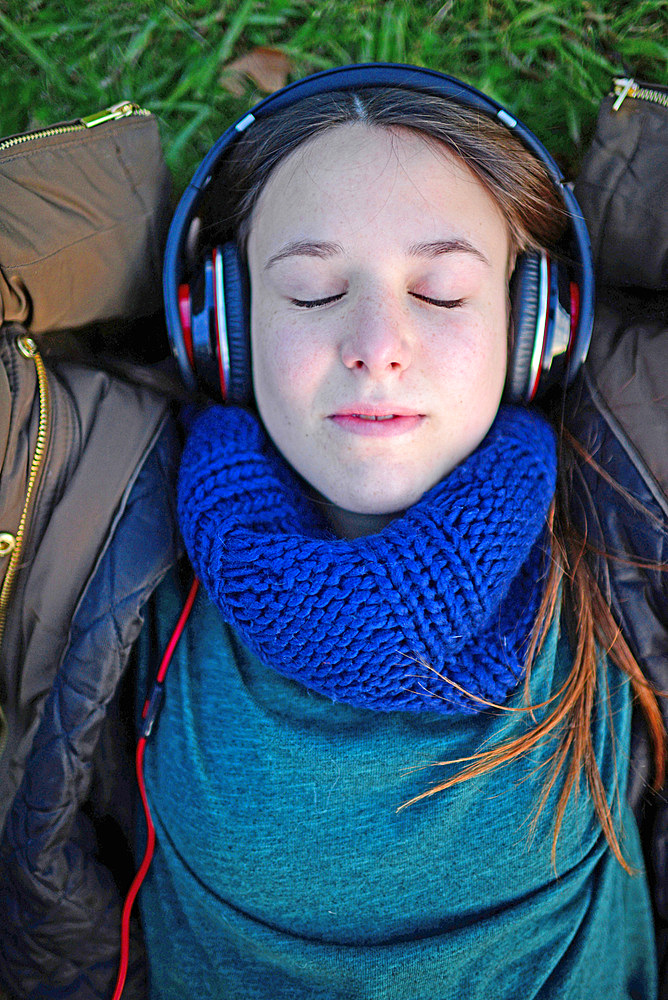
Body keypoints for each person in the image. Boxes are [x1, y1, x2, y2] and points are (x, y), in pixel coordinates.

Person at [134, 66, 665, 999]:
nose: (377, 342)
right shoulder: (111, 541)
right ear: (222, 329)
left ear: (538, 328)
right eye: (308, 292)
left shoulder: (623, 548)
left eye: (446, 292)